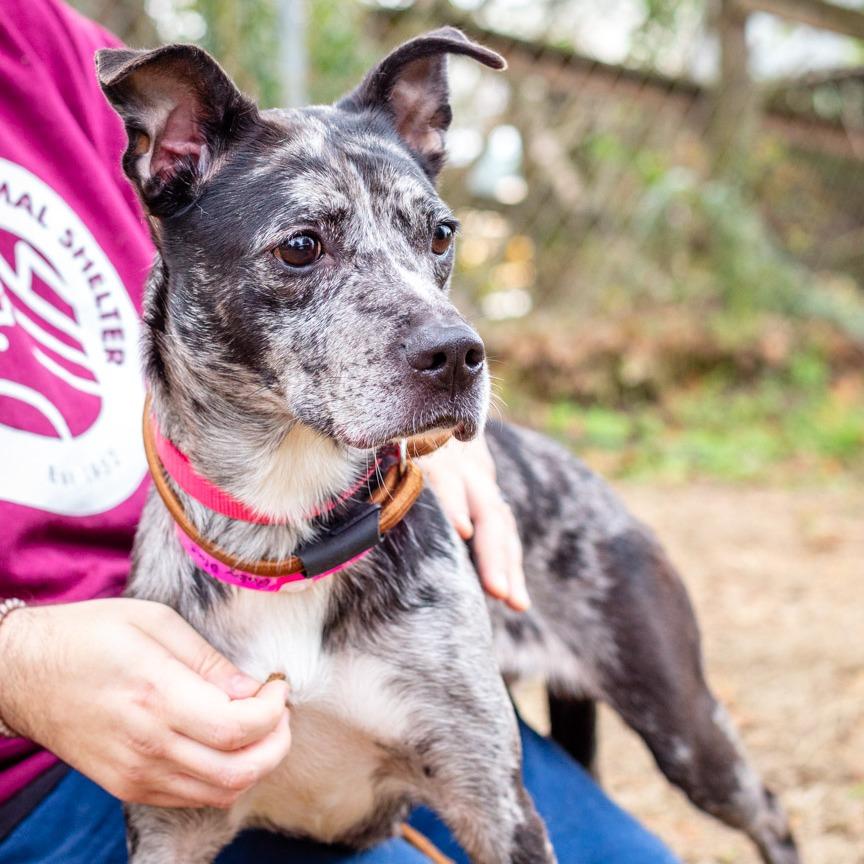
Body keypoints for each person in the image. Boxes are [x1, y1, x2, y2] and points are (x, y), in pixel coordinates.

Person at [0, 1, 679, 861]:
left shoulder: (60, 53)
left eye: (433, 239)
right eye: (300, 251)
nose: (446, 327)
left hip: (356, 581)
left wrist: (405, 420)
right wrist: (14, 670)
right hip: (54, 751)